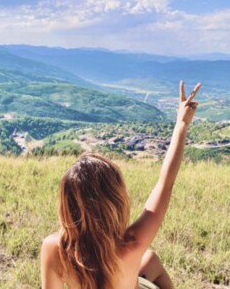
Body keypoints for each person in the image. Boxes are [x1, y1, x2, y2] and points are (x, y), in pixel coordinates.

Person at [41, 81, 202, 289]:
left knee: (150, 260)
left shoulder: (54, 248)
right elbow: (165, 183)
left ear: (66, 205)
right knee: (150, 260)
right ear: (115, 201)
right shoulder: (132, 244)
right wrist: (182, 124)